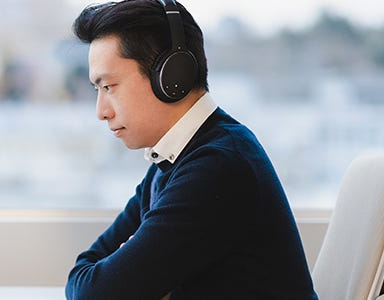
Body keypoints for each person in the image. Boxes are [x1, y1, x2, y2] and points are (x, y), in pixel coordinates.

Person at [65, 0, 318, 299]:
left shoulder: (219, 166)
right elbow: (83, 274)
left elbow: (95, 294)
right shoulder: (172, 163)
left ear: (171, 76)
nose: (101, 111)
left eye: (109, 87)